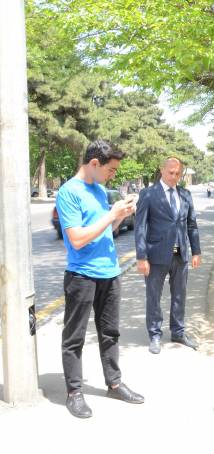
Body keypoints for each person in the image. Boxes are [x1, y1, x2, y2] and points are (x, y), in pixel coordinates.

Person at [55, 139, 145, 419]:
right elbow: (77, 239)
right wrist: (111, 215)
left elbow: (106, 230)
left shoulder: (100, 190)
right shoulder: (69, 192)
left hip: (110, 271)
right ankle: (74, 392)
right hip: (82, 275)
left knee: (110, 333)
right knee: (75, 337)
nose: (113, 174)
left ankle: (114, 383)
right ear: (94, 163)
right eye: (111, 169)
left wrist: (120, 215)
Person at [135, 157, 202, 354]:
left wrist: (196, 251)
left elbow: (191, 224)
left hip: (180, 254)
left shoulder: (185, 194)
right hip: (156, 255)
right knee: (154, 296)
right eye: (171, 172)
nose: (174, 176)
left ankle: (178, 332)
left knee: (180, 295)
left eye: (178, 173)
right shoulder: (148, 194)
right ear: (162, 171)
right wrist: (141, 257)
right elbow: (140, 227)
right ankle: (155, 335)